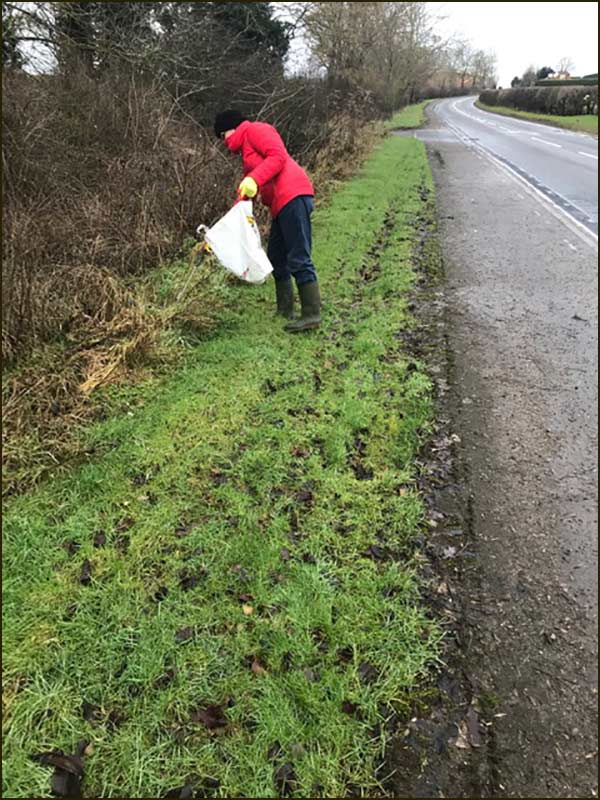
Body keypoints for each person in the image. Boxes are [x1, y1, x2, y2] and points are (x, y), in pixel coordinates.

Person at [214, 109, 321, 333]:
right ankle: (285, 309)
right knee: (275, 257)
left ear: (231, 128)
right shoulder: (247, 154)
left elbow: (278, 157)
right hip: (280, 205)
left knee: (298, 256)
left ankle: (311, 314)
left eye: (222, 135)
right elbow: (247, 191)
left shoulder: (256, 130)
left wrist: (254, 178)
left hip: (293, 195)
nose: (224, 142)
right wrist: (225, 226)